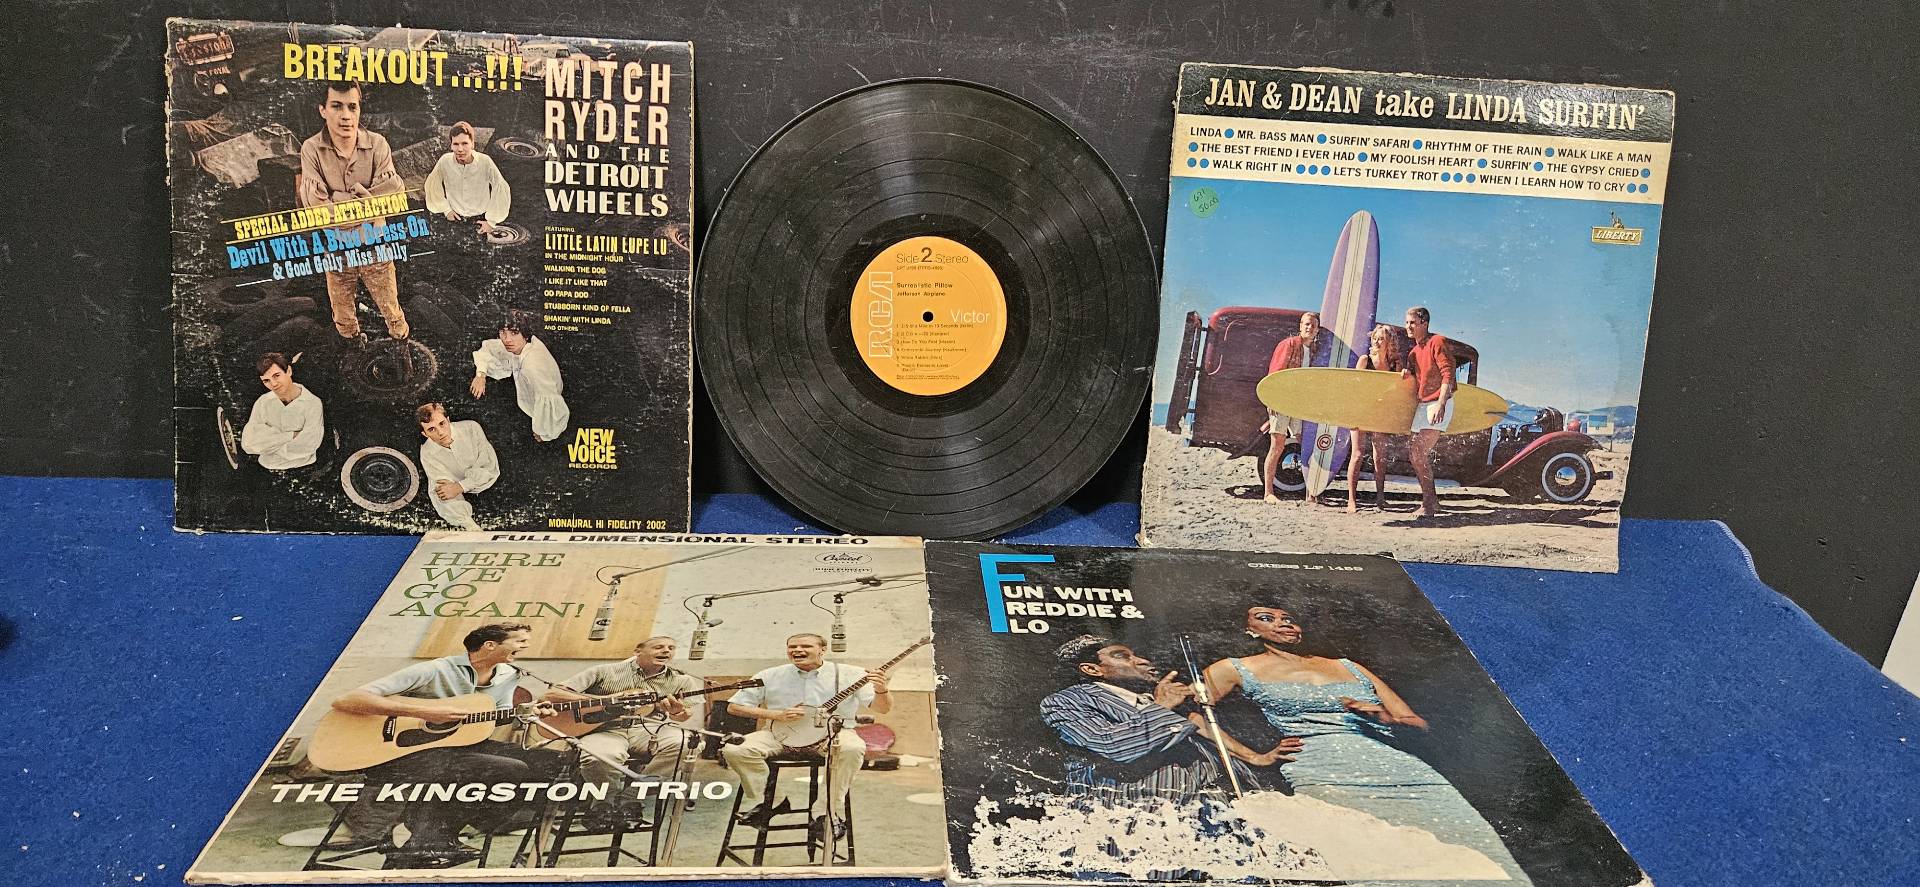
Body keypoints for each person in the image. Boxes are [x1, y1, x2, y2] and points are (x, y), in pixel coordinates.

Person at [1201, 606, 1529, 883]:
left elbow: (1416, 722)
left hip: (1405, 772)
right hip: (1325, 773)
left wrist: (1383, 717)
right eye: (1266, 618)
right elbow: (1194, 714)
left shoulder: (1347, 666)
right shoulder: (1234, 668)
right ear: (1249, 630)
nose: (1283, 623)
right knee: (1379, 862)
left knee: (1481, 855)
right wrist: (1255, 757)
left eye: (1288, 618)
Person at [327, 623, 565, 869]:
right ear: (490, 645)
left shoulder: (508, 674)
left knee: (551, 763)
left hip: (456, 746)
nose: (526, 645)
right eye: (520, 641)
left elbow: (497, 716)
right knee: (508, 769)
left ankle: (428, 833)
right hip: (400, 753)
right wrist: (426, 712)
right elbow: (347, 700)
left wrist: (525, 714)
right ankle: (423, 836)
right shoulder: (436, 670)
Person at [1040, 635, 1297, 804]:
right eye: (1121, 656)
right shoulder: (1065, 701)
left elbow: (1199, 725)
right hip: (1137, 821)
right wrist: (1163, 706)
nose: (1142, 660)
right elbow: (1112, 746)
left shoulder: (1151, 699)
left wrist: (1255, 757)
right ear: (1092, 669)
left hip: (1211, 814)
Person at [724, 633, 891, 841]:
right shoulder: (769, 675)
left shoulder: (850, 674)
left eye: (806, 646)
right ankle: (772, 801)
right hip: (779, 733)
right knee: (735, 749)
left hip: (831, 734)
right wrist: (775, 714)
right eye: (792, 646)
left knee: (852, 748)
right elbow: (734, 706)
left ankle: (825, 813)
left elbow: (883, 709)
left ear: (823, 650)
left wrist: (882, 690)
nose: (797, 650)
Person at [543, 636, 705, 821]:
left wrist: (677, 712)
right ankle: (606, 802)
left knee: (688, 743)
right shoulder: (604, 671)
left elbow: (684, 715)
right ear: (637, 651)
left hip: (649, 729)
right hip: (606, 729)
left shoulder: (681, 679)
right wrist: (611, 700)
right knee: (597, 757)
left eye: (671, 648)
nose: (666, 651)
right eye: (658, 647)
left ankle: (632, 797)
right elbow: (554, 693)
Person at [299, 81, 410, 346]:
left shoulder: (378, 144)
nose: (346, 116)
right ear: (323, 110)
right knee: (343, 315)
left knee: (392, 311)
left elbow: (394, 195)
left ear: (359, 110)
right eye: (336, 106)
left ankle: (402, 351)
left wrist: (338, 199)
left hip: (375, 245)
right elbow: (317, 209)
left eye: (352, 107)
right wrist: (367, 200)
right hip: (336, 249)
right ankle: (353, 349)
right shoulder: (311, 149)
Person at [470, 310, 569, 442]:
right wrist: (481, 375)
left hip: (538, 418)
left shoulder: (532, 364)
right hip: (525, 402)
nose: (507, 339)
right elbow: (488, 348)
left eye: (514, 333)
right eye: (502, 332)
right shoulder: (518, 345)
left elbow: (553, 406)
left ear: (525, 335)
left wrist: (544, 433)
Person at [1261, 312, 1320, 504]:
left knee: (1306, 444)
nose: (1309, 328)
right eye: (1306, 324)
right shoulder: (1289, 344)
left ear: (1317, 330)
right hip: (1282, 401)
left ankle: (1310, 493)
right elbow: (1275, 373)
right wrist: (1272, 400)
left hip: (1299, 403)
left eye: (1313, 325)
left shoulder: (1314, 350)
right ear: (1300, 326)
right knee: (1277, 444)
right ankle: (1268, 493)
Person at [1402, 306, 1455, 518]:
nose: (1408, 327)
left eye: (1412, 323)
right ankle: (1432, 501)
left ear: (1424, 323)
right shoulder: (1413, 352)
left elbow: (1448, 374)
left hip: (1438, 402)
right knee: (1415, 455)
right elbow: (1414, 375)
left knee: (1418, 452)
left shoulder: (1437, 341)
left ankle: (1429, 503)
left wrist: (1441, 403)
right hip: (1423, 405)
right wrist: (1406, 372)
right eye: (1407, 322)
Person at [1345, 325, 1404, 513]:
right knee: (1357, 454)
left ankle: (1380, 498)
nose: (1377, 342)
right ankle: (1351, 500)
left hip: (1381, 412)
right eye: (1375, 338)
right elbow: (1354, 388)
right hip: (1361, 410)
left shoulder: (1395, 364)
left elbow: (1398, 390)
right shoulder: (1365, 360)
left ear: (1389, 342)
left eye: (1381, 339)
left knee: (1380, 456)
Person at [416, 403, 499, 530]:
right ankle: (468, 525)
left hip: (489, 483)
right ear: (425, 434)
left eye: (442, 424)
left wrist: (461, 486)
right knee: (437, 488)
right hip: (456, 491)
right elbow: (442, 487)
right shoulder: (427, 451)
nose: (440, 433)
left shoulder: (471, 428)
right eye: (431, 429)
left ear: (448, 420)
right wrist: (454, 489)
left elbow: (489, 467)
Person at [240, 352, 324, 470]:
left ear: (288, 371)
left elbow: (309, 444)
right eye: (266, 381)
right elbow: (248, 443)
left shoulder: (313, 402)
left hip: (306, 469)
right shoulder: (263, 402)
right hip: (266, 470)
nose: (273, 384)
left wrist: (268, 444)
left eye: (276, 376)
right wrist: (292, 435)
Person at [424, 121, 511, 234]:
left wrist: (491, 222)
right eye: (456, 144)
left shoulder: (485, 161)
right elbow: (432, 183)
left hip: (480, 219)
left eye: (464, 143)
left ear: (472, 144)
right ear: (451, 145)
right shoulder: (445, 161)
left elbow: (500, 186)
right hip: (454, 217)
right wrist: (446, 209)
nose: (460, 149)